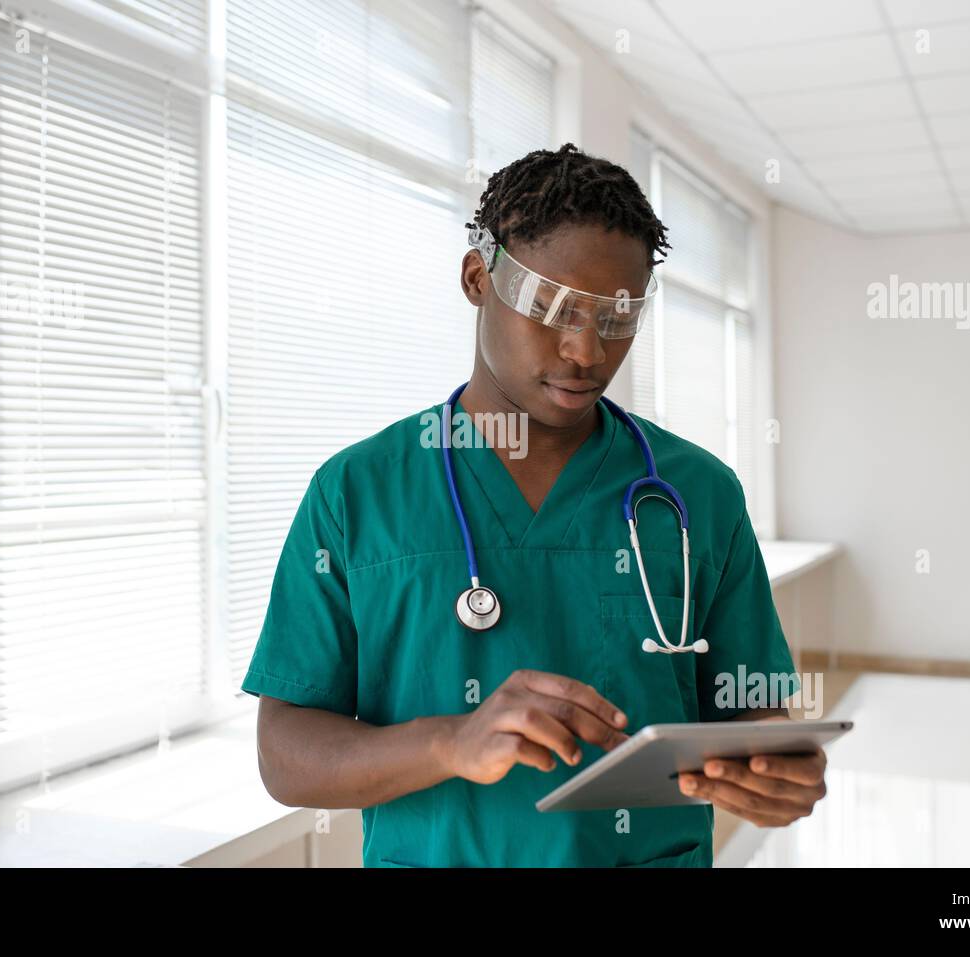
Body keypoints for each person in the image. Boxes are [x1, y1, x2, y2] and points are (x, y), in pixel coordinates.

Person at [241, 143, 827, 867]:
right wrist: (448, 742)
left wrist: (780, 772)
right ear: (477, 278)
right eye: (552, 306)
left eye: (618, 316)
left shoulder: (698, 493)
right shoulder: (356, 492)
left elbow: (754, 711)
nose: (587, 350)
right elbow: (284, 755)